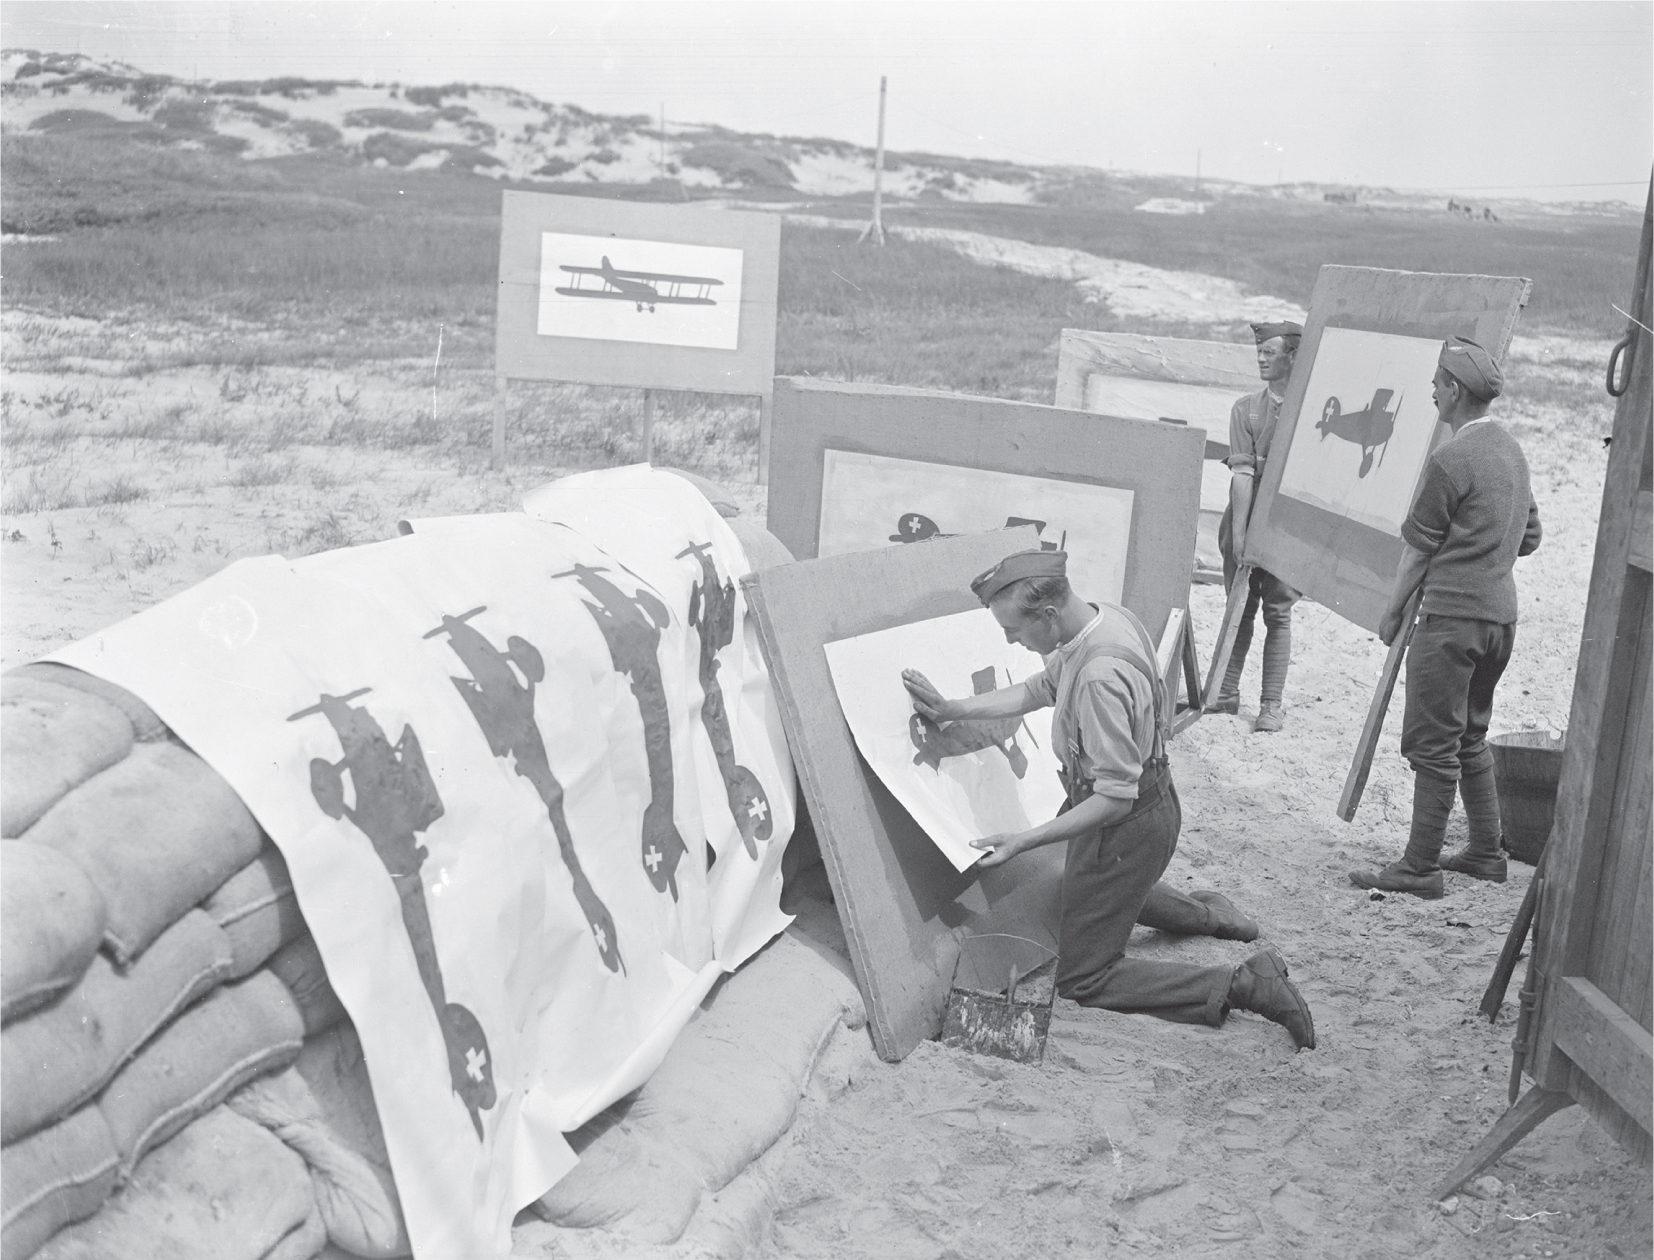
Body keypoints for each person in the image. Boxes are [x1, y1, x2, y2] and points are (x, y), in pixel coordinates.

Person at [902, 550, 1315, 1048]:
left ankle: (1245, 983)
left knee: (1084, 979)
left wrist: (1026, 840)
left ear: (1048, 615)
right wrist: (955, 708)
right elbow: (1042, 687)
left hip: (1123, 826)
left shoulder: (1099, 680)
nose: (1010, 640)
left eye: (1014, 629)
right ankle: (1213, 915)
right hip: (1151, 809)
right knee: (1091, 888)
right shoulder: (1104, 620)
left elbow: (1113, 800)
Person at [1350, 337, 1541, 899]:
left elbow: (1417, 550)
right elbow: (1529, 536)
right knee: (1469, 734)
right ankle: (1486, 852)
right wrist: (1488, 552)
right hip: (1500, 620)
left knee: (1431, 743)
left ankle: (1418, 868)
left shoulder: (1450, 459)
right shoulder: (1513, 451)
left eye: (1436, 384)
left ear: (1454, 391)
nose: (1432, 392)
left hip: (1452, 620)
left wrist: (1390, 612)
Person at [1211, 320, 1305, 732]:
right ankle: (1226, 693)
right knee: (1240, 606)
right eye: (1259, 352)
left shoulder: (1311, 410)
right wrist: (1240, 536)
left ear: (1292, 357)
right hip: (1244, 518)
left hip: (1288, 527)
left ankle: (1271, 704)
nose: (1261, 358)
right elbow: (1242, 475)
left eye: (1270, 352)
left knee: (1278, 613)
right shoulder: (1246, 408)